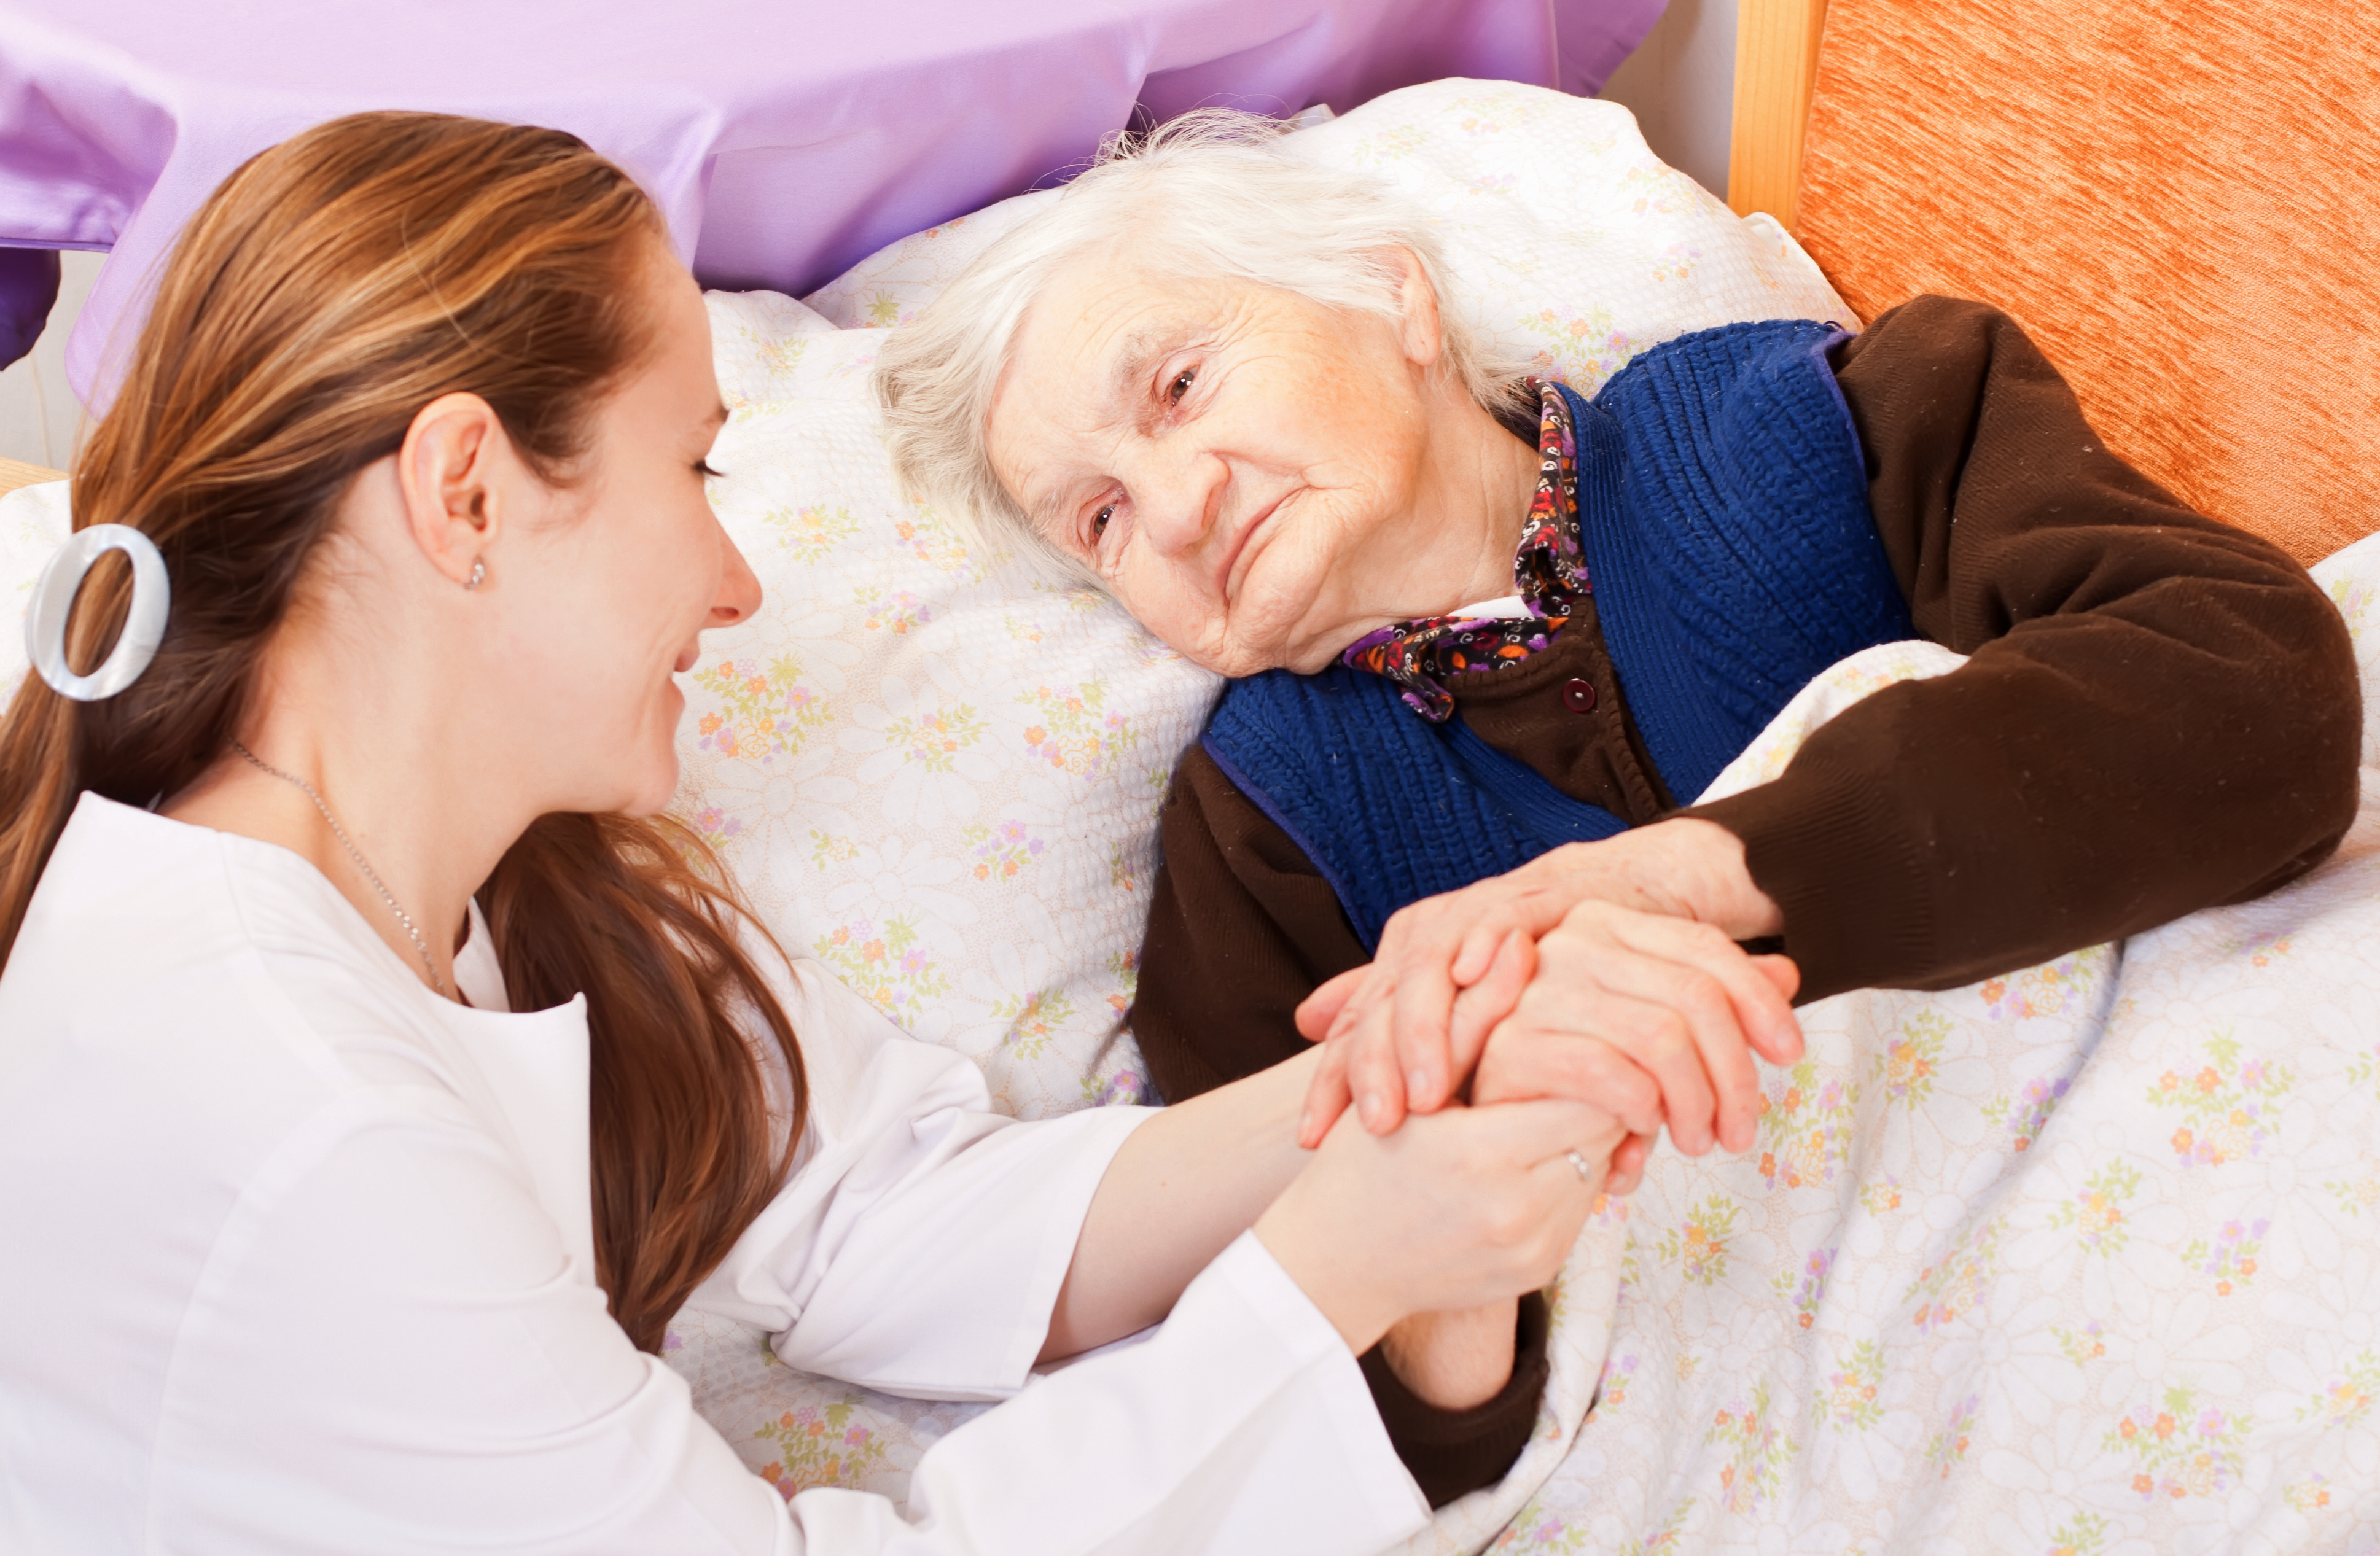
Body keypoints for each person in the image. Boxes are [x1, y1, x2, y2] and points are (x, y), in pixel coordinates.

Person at [0, 113, 1633, 1556]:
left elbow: (885, 1208)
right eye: (693, 463)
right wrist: (1333, 1273)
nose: (736, 580)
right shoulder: (283, 1101)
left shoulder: (477, 900)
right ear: (468, 496)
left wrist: (1411, 1071)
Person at [873, 110, 2363, 1495]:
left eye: (1182, 384)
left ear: (1395, 297)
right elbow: (1274, 1422)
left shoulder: (1828, 421)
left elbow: (2263, 698)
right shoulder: (1262, 831)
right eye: (1102, 519)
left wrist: (1689, 882)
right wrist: (1445, 1284)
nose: (1179, 507)